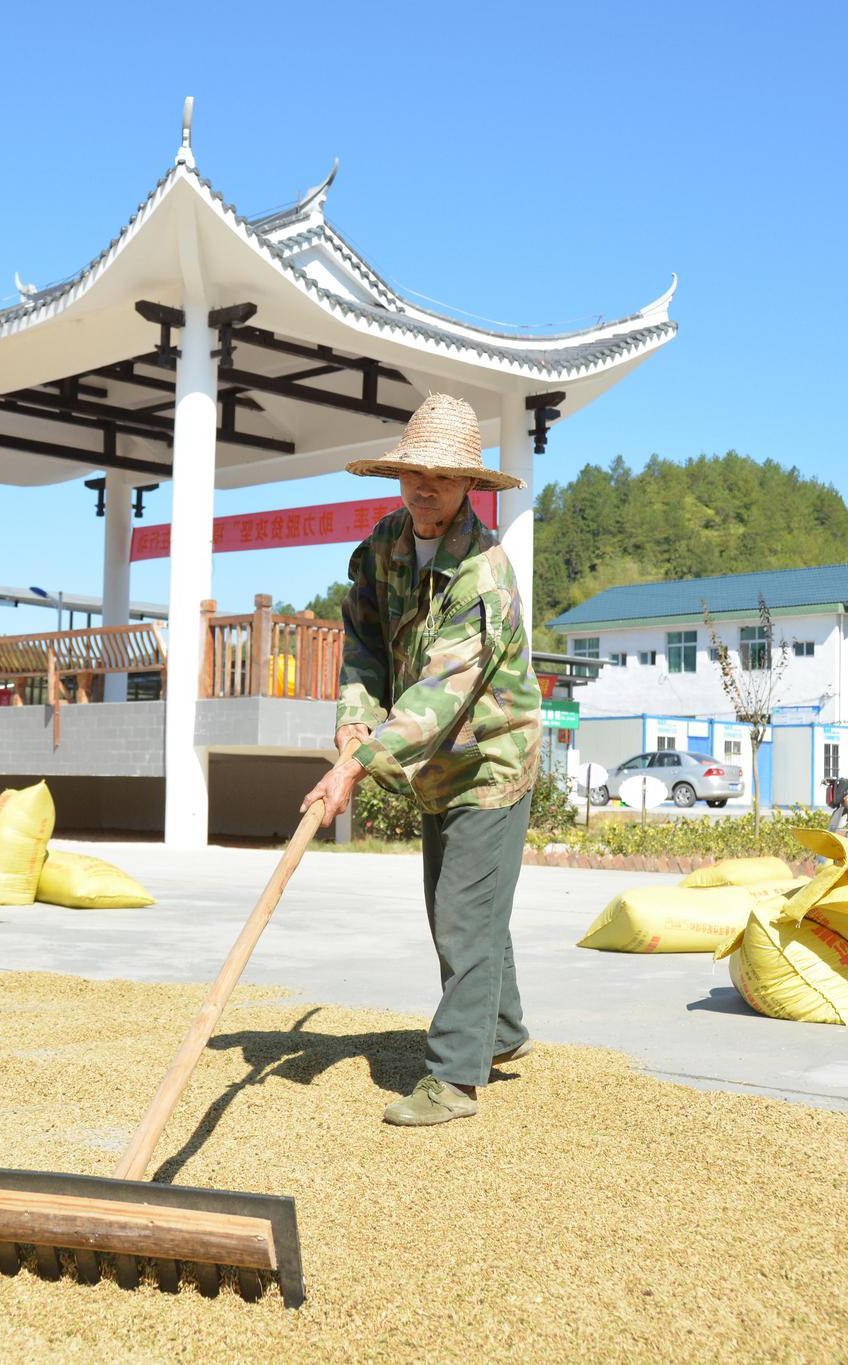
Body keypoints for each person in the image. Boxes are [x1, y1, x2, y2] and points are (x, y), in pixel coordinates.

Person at [300, 393, 543, 1127]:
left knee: (464, 914)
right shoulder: (385, 546)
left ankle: (453, 1078)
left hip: (491, 760)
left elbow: (441, 693)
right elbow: (364, 645)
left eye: (442, 477)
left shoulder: (484, 575)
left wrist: (356, 766)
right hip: (435, 762)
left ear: (469, 484)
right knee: (462, 906)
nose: (425, 488)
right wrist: (351, 724)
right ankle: (500, 1030)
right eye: (415, 475)